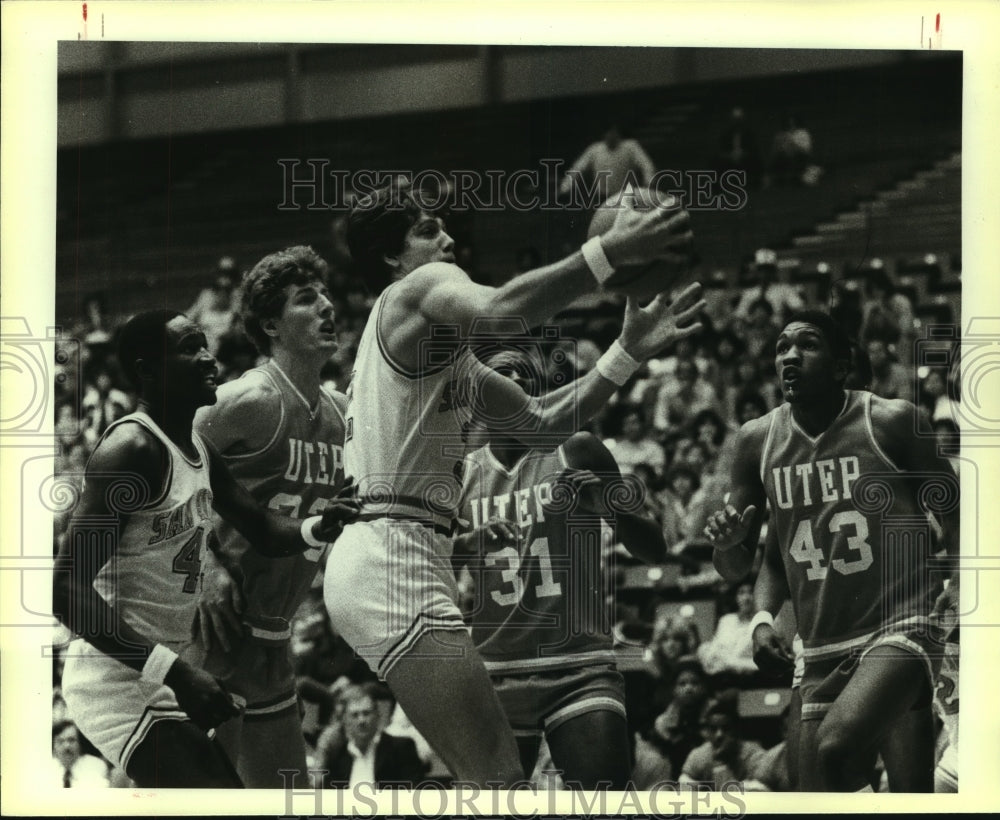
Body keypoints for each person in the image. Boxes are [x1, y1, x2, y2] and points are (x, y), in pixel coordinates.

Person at [327, 179, 700, 786]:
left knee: (488, 782)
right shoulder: (414, 289)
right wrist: (609, 254)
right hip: (391, 556)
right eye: (427, 229)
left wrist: (626, 352)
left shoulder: (436, 352)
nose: (447, 237)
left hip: (394, 554)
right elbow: (501, 312)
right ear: (392, 258)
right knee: (498, 782)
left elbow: (544, 423)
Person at [53, 310, 359, 788]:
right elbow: (65, 591)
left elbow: (260, 526)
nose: (207, 357)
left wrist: (321, 524)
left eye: (204, 343)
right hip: (114, 680)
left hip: (168, 670)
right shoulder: (131, 451)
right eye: (189, 347)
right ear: (147, 370)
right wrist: (174, 673)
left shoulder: (195, 444)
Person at [704, 309, 959, 791]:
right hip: (820, 645)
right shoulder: (757, 440)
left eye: (807, 344)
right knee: (837, 794)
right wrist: (757, 611)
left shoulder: (894, 421)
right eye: (781, 347)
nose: (790, 356)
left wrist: (960, 581)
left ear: (843, 367)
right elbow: (750, 564)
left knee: (835, 749)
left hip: (900, 626)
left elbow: (955, 510)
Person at [454, 348, 669, 789]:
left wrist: (608, 506)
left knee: (604, 803)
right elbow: (428, 557)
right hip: (496, 668)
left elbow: (655, 550)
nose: (510, 378)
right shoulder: (460, 474)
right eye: (498, 372)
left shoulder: (578, 448)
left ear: (536, 393)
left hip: (580, 662)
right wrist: (467, 543)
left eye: (520, 373)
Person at [185, 246, 351, 787]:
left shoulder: (340, 413)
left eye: (326, 295)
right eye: (308, 300)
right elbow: (152, 465)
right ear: (272, 326)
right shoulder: (248, 398)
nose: (327, 307)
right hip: (215, 633)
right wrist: (205, 563)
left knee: (288, 799)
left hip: (274, 640)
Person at [320, 686, 427, 789]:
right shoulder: (338, 755)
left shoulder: (401, 748)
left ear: (377, 715)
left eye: (366, 713)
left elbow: (413, 794)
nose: (361, 720)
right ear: (345, 720)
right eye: (355, 715)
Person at [678, 692, 770, 791]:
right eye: (713, 729)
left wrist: (723, 766)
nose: (719, 735)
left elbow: (763, 791)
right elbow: (684, 788)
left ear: (737, 730)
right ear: (707, 732)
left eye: (726, 729)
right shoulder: (698, 755)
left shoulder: (754, 755)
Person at [559, 124, 656, 205]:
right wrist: (565, 188)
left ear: (618, 133)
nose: (611, 135)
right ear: (604, 135)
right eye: (608, 132)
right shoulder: (595, 150)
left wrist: (649, 181)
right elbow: (578, 168)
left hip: (626, 197)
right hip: (603, 198)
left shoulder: (631, 147)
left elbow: (646, 165)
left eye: (613, 132)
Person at [50, 720, 111, 788]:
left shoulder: (96, 766)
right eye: (60, 741)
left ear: (79, 743)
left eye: (71, 740)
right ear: (53, 745)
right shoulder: (45, 769)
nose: (66, 746)